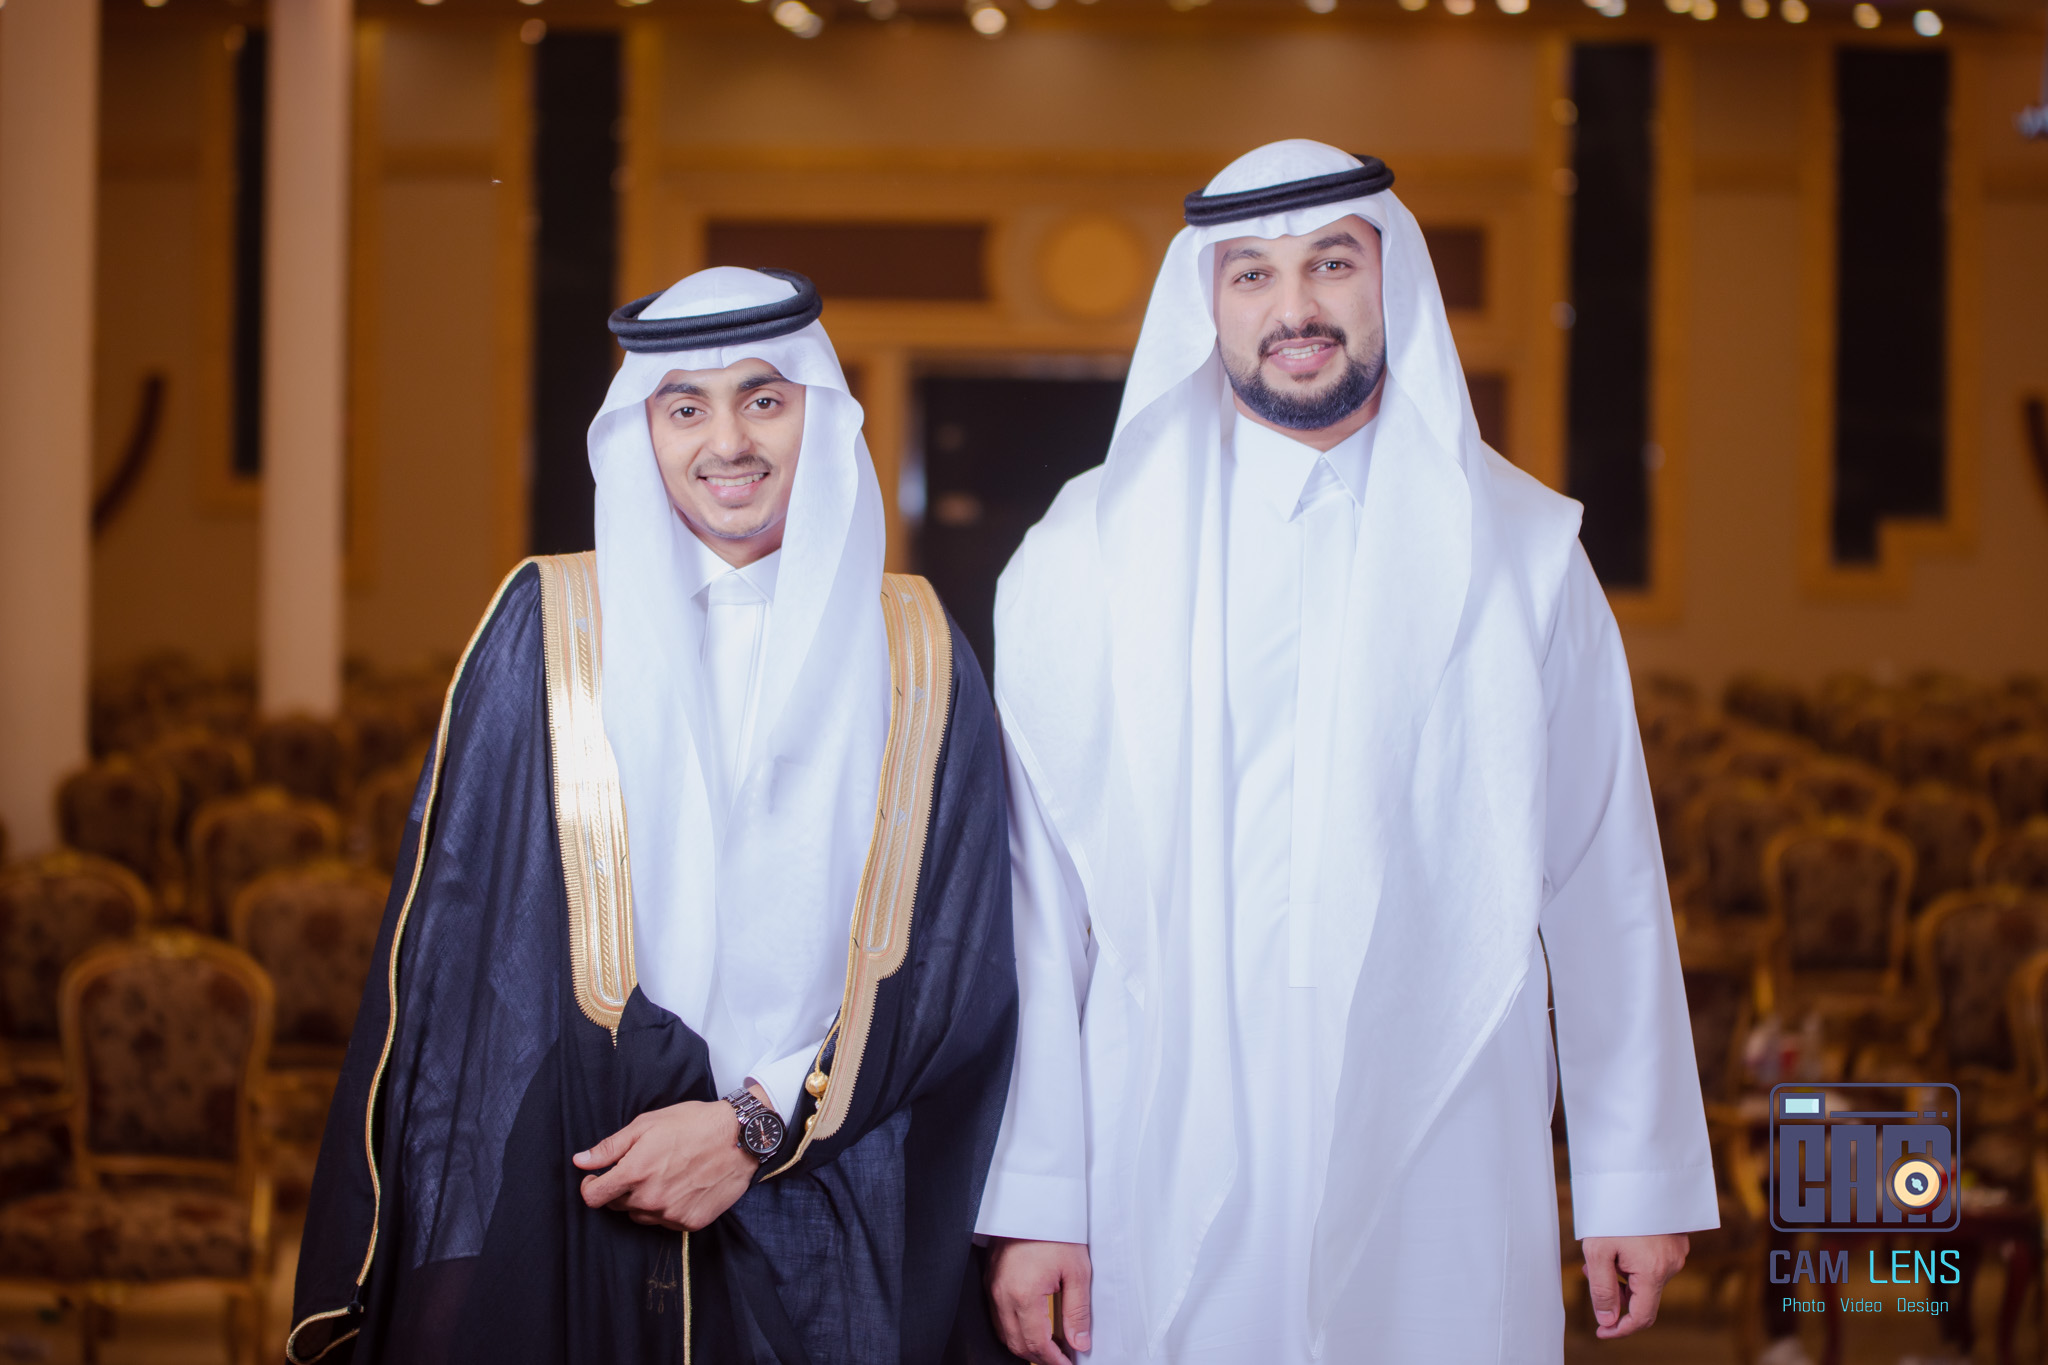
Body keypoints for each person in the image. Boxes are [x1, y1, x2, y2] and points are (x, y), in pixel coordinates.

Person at [978, 141, 1716, 1364]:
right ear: (1206, 305)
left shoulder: (1525, 551)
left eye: (1330, 264)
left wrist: (1629, 1173)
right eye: (1251, 275)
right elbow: (1034, 900)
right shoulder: (1080, 557)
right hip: (1167, 1112)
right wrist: (1039, 1198)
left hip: (1443, 1112)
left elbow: (1603, 871)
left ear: (1392, 283)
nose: (1295, 309)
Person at [288, 267, 1017, 1364]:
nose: (728, 441)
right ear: (642, 430)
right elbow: (470, 966)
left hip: (838, 1190)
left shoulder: (916, 647)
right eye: (685, 408)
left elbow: (957, 959)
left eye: (763, 398)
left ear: (818, 413)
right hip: (599, 1179)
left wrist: (752, 1125)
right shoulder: (548, 626)